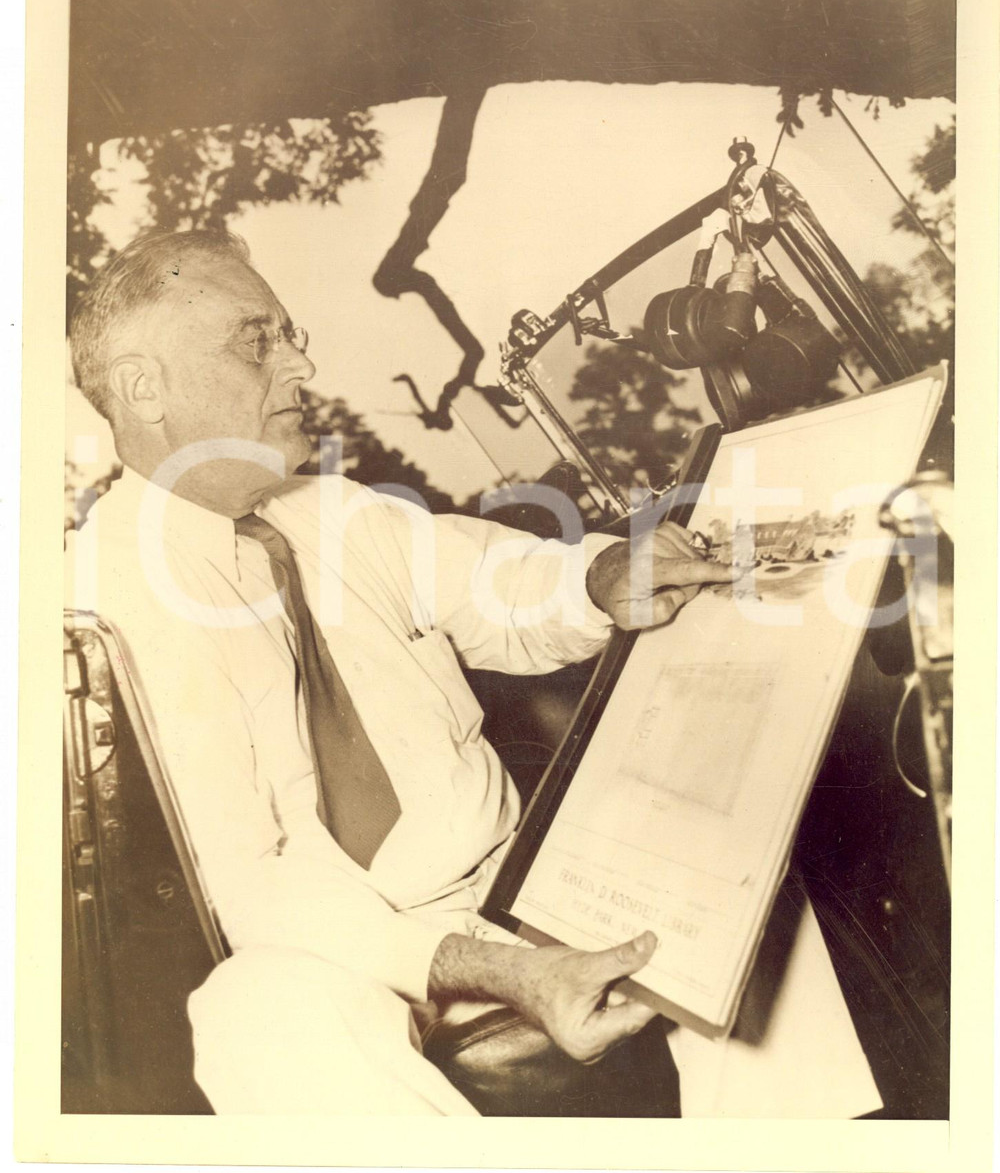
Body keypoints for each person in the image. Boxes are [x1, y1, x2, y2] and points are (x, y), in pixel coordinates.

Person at [65, 228, 736, 1116]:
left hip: (524, 879)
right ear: (144, 387)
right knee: (257, 1014)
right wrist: (508, 971)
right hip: (356, 955)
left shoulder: (334, 511)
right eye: (256, 338)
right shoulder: (101, 593)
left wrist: (604, 577)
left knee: (746, 878)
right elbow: (252, 890)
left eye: (293, 332)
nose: (302, 363)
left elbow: (506, 587)